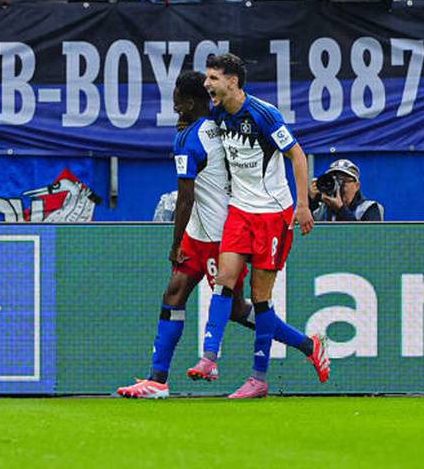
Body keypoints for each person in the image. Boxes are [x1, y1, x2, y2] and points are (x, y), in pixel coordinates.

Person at [116, 70, 329, 399]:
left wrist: (174, 244)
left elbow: (185, 197)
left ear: (189, 104)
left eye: (177, 106)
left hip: (218, 236)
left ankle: (303, 344)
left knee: (238, 308)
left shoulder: (190, 138)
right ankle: (157, 379)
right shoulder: (219, 122)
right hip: (201, 232)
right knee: (175, 294)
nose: (174, 112)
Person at [184, 53, 324, 399]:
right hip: (239, 212)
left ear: (232, 81)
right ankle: (209, 358)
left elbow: (297, 155)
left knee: (261, 299)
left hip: (273, 215)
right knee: (223, 282)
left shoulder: (264, 114)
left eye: (213, 78)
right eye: (207, 78)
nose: (207, 85)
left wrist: (303, 205)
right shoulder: (216, 113)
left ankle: (259, 378)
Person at [308, 158, 385, 222]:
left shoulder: (370, 208)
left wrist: (341, 210)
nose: (338, 186)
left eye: (343, 181)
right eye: (334, 181)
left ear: (357, 186)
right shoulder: (321, 210)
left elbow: (368, 236)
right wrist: (311, 201)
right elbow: (303, 231)